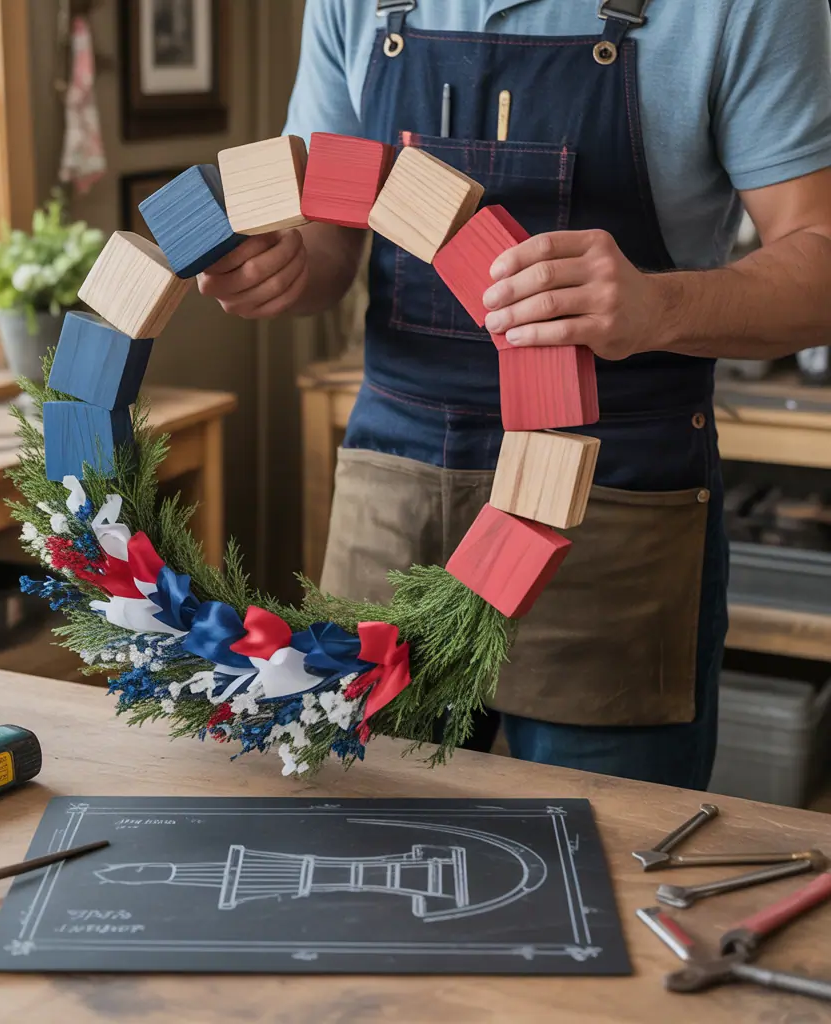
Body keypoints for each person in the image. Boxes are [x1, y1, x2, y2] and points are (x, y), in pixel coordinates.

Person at [197, 0, 831, 789]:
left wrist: (657, 305)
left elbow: (820, 257)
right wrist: (282, 268)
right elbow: (326, 232)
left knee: (605, 836)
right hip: (390, 492)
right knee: (354, 820)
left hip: (610, 508)